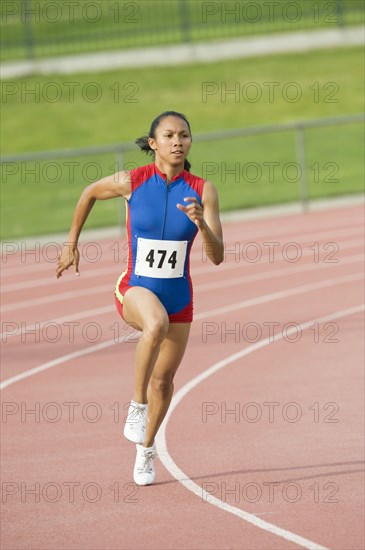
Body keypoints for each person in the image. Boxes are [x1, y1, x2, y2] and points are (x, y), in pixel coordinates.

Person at [56, 111, 224, 485]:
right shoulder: (133, 181)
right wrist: (71, 245)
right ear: (153, 144)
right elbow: (88, 194)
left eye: (184, 135)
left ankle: (146, 449)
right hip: (135, 287)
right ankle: (136, 405)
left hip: (179, 296)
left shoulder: (203, 190)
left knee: (164, 382)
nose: (178, 141)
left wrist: (201, 224)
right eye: (169, 135)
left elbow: (217, 256)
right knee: (154, 324)